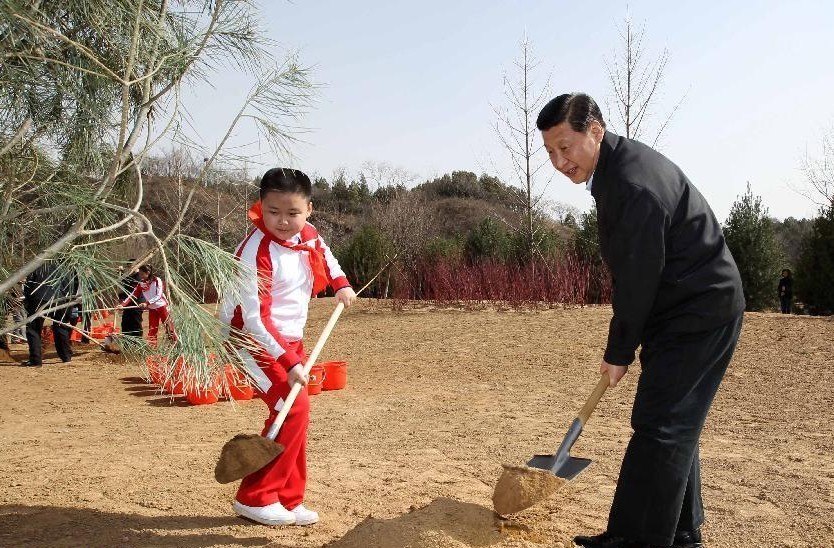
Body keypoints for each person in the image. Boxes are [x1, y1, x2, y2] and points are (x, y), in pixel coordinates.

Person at [537, 93, 745, 548]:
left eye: (565, 147)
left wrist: (619, 351)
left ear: (595, 130)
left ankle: (635, 540)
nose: (558, 161)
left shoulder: (630, 183)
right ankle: (682, 533)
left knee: (660, 427)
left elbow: (637, 278)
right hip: (680, 311)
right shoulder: (616, 171)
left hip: (699, 311)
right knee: (673, 424)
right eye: (550, 151)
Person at [219, 167, 357, 527]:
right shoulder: (255, 251)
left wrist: (341, 283)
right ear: (260, 208)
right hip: (249, 339)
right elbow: (255, 319)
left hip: (288, 338)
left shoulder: (308, 234)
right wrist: (289, 359)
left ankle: (288, 498)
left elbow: (325, 255)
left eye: (293, 213)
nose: (283, 221)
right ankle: (256, 497)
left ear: (308, 210)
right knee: (290, 410)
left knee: (298, 412)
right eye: (273, 212)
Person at [21, 262, 79, 366]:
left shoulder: (39, 264)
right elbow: (74, 285)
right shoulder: (68, 266)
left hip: (39, 298)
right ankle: (66, 357)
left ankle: (35, 360)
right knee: (61, 326)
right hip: (62, 298)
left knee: (33, 328)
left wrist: (28, 299)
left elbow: (29, 284)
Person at [117, 264, 176, 346]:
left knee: (169, 328)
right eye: (140, 274)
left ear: (148, 272)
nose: (140, 276)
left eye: (142, 274)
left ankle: (175, 345)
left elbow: (158, 295)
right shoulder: (141, 283)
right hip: (152, 309)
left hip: (162, 307)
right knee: (152, 330)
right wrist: (123, 305)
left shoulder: (157, 280)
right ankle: (152, 349)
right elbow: (132, 295)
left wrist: (146, 303)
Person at [117, 263, 144, 338]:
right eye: (128, 267)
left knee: (135, 323)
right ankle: (127, 341)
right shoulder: (130, 276)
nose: (129, 269)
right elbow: (123, 283)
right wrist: (121, 272)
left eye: (130, 267)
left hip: (136, 304)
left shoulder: (139, 277)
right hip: (127, 304)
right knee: (125, 323)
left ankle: (137, 342)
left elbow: (133, 291)